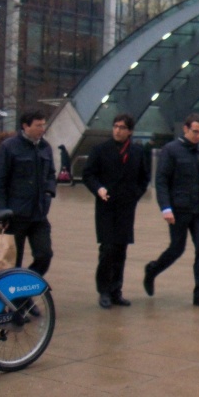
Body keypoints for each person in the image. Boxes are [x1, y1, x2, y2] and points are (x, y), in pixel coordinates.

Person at [143, 113, 199, 309]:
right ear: (185, 129)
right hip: (179, 208)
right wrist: (166, 208)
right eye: (195, 132)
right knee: (177, 248)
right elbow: (161, 181)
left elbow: (197, 179)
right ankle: (153, 270)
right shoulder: (171, 150)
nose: (198, 136)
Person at [83, 114, 150, 309]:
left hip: (126, 208)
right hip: (106, 206)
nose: (117, 130)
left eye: (122, 127)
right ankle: (103, 290)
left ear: (130, 131)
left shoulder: (137, 151)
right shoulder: (100, 150)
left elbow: (144, 178)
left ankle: (116, 290)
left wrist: (134, 195)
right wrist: (98, 189)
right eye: (115, 126)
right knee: (107, 249)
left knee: (121, 249)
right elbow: (88, 174)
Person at [0, 110, 56, 277]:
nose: (42, 128)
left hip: (39, 215)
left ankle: (25, 287)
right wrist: (0, 212)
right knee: (13, 262)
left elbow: (50, 174)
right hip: (15, 215)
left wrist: (49, 193)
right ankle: (16, 299)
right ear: (25, 126)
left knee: (44, 255)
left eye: (43, 125)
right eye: (38, 125)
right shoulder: (9, 147)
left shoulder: (45, 147)